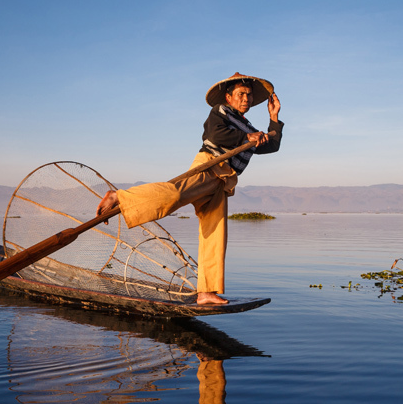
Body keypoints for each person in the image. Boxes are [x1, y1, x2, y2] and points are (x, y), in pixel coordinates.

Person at [96, 73, 283, 305]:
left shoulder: (247, 126)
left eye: (249, 95)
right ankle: (118, 196)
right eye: (241, 94)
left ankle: (206, 292)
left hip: (223, 181)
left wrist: (273, 118)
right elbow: (215, 134)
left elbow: (271, 145)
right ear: (228, 96)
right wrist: (247, 136)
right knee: (174, 194)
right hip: (209, 167)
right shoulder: (220, 112)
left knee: (214, 234)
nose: (246, 98)